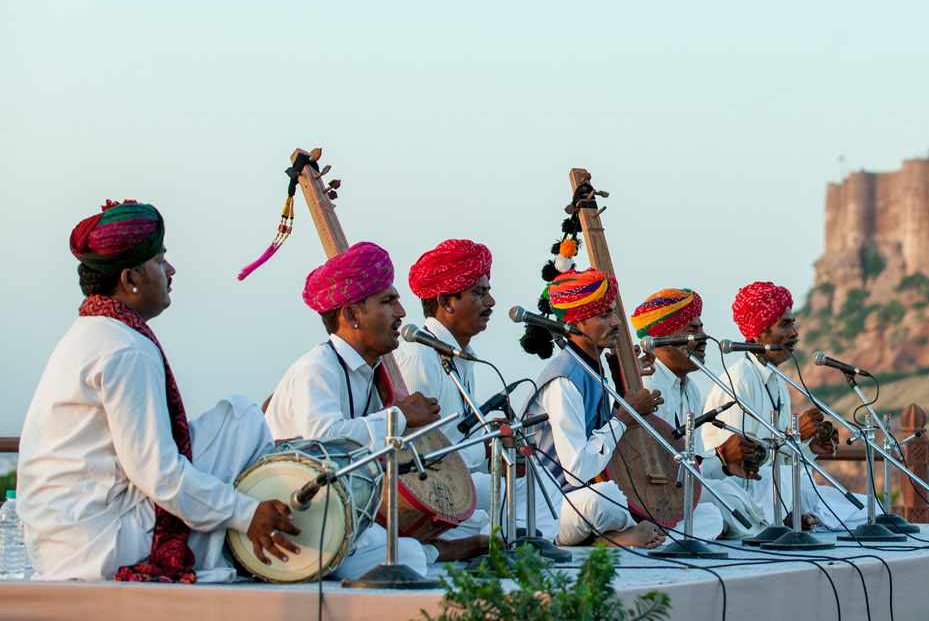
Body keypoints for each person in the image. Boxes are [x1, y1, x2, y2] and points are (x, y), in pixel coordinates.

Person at [18, 200, 300, 582]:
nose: (170, 271)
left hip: (63, 542)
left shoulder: (91, 332)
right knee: (241, 420)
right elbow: (158, 473)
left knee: (232, 423)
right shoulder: (123, 348)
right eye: (160, 261)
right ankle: (261, 541)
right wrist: (245, 513)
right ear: (130, 279)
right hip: (98, 543)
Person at [265, 242, 487, 577]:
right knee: (403, 556)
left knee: (467, 521)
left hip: (349, 509)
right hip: (301, 514)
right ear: (352, 315)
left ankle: (432, 547)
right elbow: (323, 442)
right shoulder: (318, 369)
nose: (401, 312)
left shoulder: (370, 372)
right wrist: (400, 417)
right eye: (387, 301)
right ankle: (437, 551)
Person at [394, 238, 558, 541]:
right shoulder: (420, 358)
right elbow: (418, 452)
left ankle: (525, 541)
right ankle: (515, 543)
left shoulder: (460, 357)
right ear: (446, 302)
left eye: (488, 292)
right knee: (515, 494)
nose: (491, 302)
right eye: (479, 293)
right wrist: (486, 448)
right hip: (432, 490)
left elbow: (456, 439)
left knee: (534, 480)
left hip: (461, 479)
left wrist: (494, 446)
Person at [699, 282, 864, 534]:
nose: (794, 333)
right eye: (784, 325)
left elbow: (782, 458)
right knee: (823, 504)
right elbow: (742, 464)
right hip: (749, 492)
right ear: (758, 334)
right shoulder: (739, 381)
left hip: (779, 488)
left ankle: (788, 515)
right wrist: (796, 436)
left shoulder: (777, 380)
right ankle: (779, 518)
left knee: (864, 509)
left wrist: (809, 446)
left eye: (792, 324)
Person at [519, 269, 667, 548]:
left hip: (581, 498)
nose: (617, 322)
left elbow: (600, 439)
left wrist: (621, 383)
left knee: (704, 513)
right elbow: (577, 469)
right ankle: (613, 537)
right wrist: (623, 416)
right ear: (575, 324)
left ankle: (621, 532)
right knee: (605, 500)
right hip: (551, 506)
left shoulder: (592, 370)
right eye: (604, 315)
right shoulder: (564, 379)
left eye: (614, 312)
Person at [631, 288, 766, 539]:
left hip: (682, 489)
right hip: (654, 495)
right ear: (664, 341)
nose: (703, 337)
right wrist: (721, 457)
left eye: (701, 328)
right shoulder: (649, 387)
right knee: (724, 499)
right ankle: (768, 530)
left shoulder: (690, 389)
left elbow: (694, 464)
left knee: (743, 490)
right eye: (692, 330)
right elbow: (663, 473)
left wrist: (727, 464)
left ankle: (770, 527)